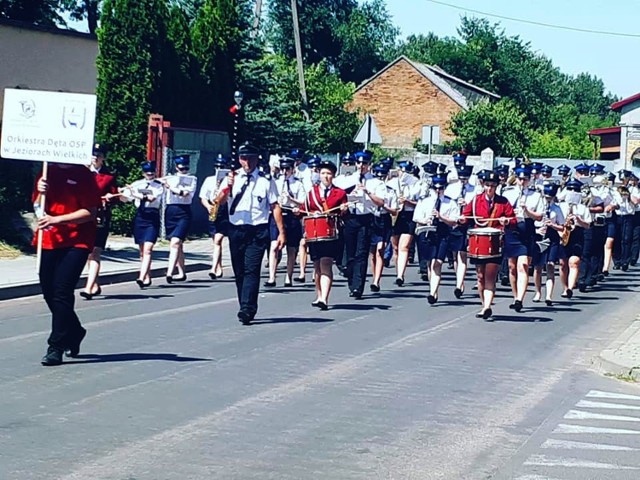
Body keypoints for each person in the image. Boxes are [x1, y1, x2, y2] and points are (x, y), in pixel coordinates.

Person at [34, 162, 101, 366]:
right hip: (49, 240)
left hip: (77, 241)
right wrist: (39, 193)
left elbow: (90, 212)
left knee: (62, 290)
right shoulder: (47, 171)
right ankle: (75, 330)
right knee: (48, 291)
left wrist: (58, 220)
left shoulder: (84, 174)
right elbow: (38, 208)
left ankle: (56, 346)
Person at [215, 143, 285, 325]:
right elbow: (219, 202)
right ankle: (244, 303)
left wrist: (280, 233)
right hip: (236, 229)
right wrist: (226, 188)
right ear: (239, 159)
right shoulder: (231, 178)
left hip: (257, 230)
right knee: (239, 271)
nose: (248, 162)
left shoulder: (265, 180)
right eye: (244, 158)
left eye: (251, 158)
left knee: (252, 269)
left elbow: (274, 206)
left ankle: (247, 308)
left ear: (257, 159)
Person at [460, 171, 515, 320]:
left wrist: (506, 221)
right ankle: (484, 304)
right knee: (480, 276)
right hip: (478, 242)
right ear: (483, 185)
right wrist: (462, 219)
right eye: (487, 185)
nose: (489, 189)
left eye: (493, 186)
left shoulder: (503, 202)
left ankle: (487, 307)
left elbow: (513, 219)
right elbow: (465, 216)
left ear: (497, 186)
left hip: (496, 242)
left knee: (490, 276)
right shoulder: (476, 200)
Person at [297, 160, 349, 309]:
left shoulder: (340, 193)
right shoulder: (311, 192)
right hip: (314, 233)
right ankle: (319, 295)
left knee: (326, 262)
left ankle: (324, 298)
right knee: (317, 265)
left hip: (330, 232)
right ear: (319, 175)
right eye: (323, 173)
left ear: (333, 175)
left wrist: (344, 210)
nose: (326, 176)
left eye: (329, 173)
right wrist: (297, 212)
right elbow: (303, 210)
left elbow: (345, 215)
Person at [334, 151, 385, 298]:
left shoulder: (376, 182)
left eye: (364, 163)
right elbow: (337, 196)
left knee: (361, 253)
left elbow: (381, 202)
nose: (361, 166)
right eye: (359, 163)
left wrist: (367, 192)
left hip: (366, 218)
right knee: (349, 253)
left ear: (369, 165)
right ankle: (351, 279)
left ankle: (358, 287)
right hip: (350, 218)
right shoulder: (347, 180)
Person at [502, 166, 544, 312]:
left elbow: (539, 216)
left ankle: (520, 299)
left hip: (527, 228)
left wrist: (527, 210)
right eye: (520, 179)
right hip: (512, 229)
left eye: (525, 179)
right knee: (512, 266)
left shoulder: (536, 195)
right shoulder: (507, 193)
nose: (522, 182)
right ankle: (515, 296)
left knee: (523, 265)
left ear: (529, 180)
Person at [80, 143, 118, 300]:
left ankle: (88, 288)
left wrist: (110, 198)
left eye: (99, 155)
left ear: (103, 158)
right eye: (93, 154)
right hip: (82, 216)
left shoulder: (108, 177)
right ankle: (95, 284)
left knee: (95, 251)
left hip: (100, 217)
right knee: (87, 252)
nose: (95, 157)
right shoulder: (81, 173)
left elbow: (116, 197)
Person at [414, 175, 460, 304]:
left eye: (441, 188)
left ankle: (432, 293)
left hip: (443, 232)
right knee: (430, 263)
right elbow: (416, 217)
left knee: (437, 262)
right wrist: (425, 220)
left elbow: (454, 221)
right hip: (428, 232)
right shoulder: (425, 201)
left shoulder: (450, 202)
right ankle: (433, 289)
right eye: (436, 188)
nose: (438, 191)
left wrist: (441, 217)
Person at [121, 161, 164, 288]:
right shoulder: (136, 184)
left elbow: (151, 198)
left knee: (148, 249)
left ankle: (141, 276)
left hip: (152, 216)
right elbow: (125, 199)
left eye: (152, 172)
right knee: (141, 251)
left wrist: (135, 194)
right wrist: (120, 193)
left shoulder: (158, 186)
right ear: (143, 173)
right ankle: (147, 276)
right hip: (140, 216)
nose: (150, 175)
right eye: (147, 172)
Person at [264, 156, 306, 287]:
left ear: (292, 169)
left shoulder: (298, 184)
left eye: (287, 169)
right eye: (281, 169)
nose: (284, 172)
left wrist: (292, 200)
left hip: (291, 216)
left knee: (291, 249)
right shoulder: (274, 182)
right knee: (274, 246)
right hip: (277, 215)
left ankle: (289, 277)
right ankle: (272, 277)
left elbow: (303, 202)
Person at [162, 155, 197, 283]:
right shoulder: (170, 178)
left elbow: (185, 194)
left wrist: (170, 187)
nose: (184, 171)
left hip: (184, 212)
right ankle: (182, 272)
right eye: (181, 168)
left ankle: (170, 272)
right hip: (171, 211)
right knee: (178, 244)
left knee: (175, 242)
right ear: (177, 167)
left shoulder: (192, 179)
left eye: (186, 168)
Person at [531, 182, 565, 306]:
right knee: (538, 267)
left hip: (552, 237)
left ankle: (549, 295)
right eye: (546, 197)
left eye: (550, 197)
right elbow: (531, 220)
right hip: (539, 235)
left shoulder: (557, 209)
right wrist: (537, 229)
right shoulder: (539, 207)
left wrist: (552, 225)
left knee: (550, 265)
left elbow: (562, 227)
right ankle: (538, 292)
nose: (548, 199)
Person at [199, 154, 232, 280]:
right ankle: (219, 266)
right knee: (215, 241)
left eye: (222, 167)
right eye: (217, 166)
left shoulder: (229, 181)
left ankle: (213, 268)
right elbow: (203, 197)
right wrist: (208, 207)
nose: (219, 168)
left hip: (224, 210)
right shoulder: (209, 180)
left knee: (218, 240)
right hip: (213, 208)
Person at [559, 179, 592, 298]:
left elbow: (588, 225)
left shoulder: (583, 208)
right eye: (570, 189)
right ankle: (565, 287)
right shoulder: (560, 206)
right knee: (563, 264)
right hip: (563, 233)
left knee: (574, 262)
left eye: (575, 190)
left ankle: (570, 288)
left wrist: (578, 220)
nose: (573, 192)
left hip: (577, 234)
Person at [369, 163, 399, 291]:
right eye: (378, 175)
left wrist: (384, 206)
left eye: (383, 176)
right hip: (371, 218)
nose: (380, 178)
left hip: (383, 218)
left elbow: (394, 211)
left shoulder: (391, 192)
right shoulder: (370, 188)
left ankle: (377, 281)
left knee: (380, 250)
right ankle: (374, 275)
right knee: (372, 252)